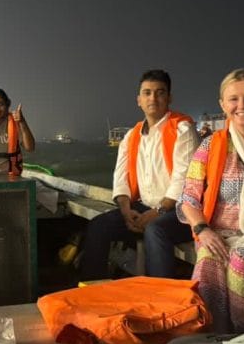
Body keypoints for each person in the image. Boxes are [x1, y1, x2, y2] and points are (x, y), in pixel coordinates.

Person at [178, 68, 244, 334]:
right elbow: (188, 197)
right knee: (208, 264)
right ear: (223, 104)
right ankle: (216, 340)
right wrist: (202, 229)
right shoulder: (211, 146)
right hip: (219, 233)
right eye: (233, 99)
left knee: (243, 263)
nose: (241, 106)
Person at [79, 69, 198, 280]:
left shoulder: (183, 130)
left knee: (155, 230)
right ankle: (91, 289)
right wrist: (126, 210)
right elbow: (120, 176)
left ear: (169, 98)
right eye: (147, 93)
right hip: (144, 207)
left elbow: (184, 179)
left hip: (181, 211)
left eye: (160, 92)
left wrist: (158, 211)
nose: (153, 98)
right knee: (99, 226)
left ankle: (162, 300)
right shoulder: (131, 136)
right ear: (139, 100)